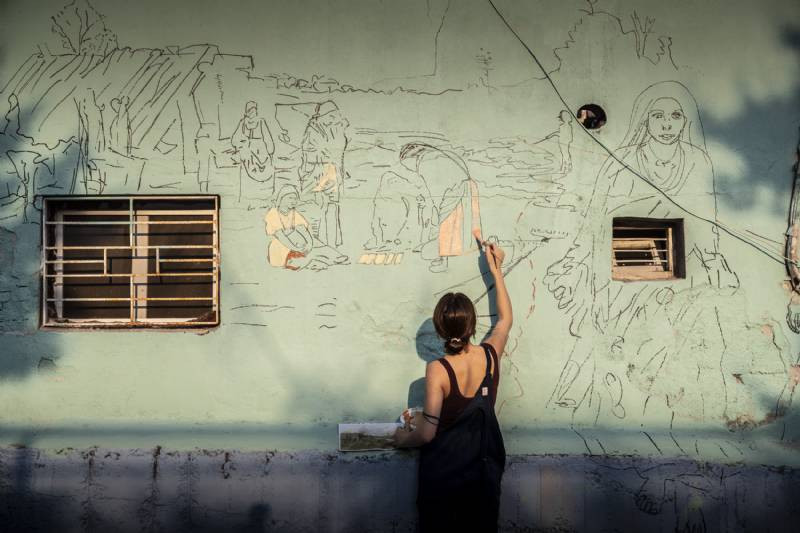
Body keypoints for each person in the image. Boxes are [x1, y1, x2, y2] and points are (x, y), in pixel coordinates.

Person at [394, 242, 512, 532]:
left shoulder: (438, 369)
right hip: (484, 475)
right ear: (472, 326)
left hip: (445, 479)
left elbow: (427, 432)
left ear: (439, 329)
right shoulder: (489, 356)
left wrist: (400, 438)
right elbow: (505, 321)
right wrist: (496, 269)